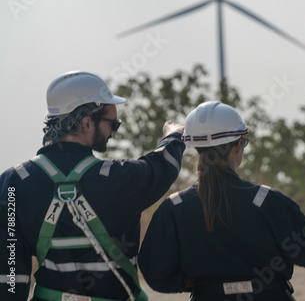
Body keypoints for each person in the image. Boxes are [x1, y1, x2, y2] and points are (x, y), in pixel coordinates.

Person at [138, 101, 305, 301]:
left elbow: (156, 274)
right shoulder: (267, 202)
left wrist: (204, 282)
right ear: (237, 146)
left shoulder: (174, 207)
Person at [0, 71, 185, 301]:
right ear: (86, 122)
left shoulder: (13, 183)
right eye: (113, 123)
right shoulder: (121, 179)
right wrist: (174, 134)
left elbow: (9, 274)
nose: (114, 131)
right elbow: (164, 164)